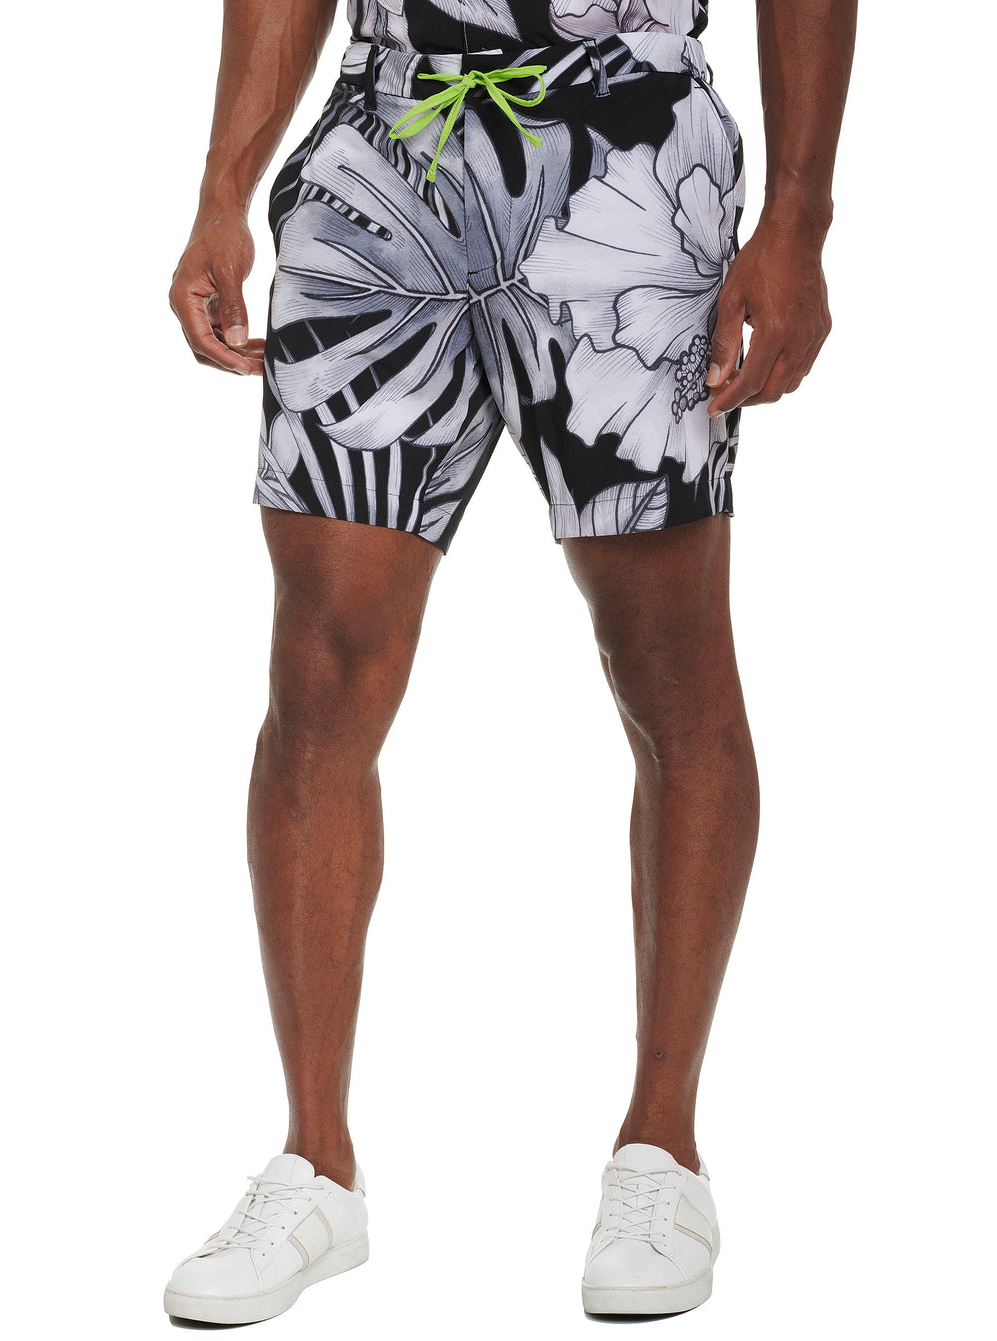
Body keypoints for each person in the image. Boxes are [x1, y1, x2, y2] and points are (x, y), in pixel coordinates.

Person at [164, 0, 855, 1323]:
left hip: (627, 141)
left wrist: (800, 220)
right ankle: (316, 1165)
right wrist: (221, 189)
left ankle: (662, 1148)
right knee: (320, 668)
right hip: (387, 139)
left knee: (664, 662)